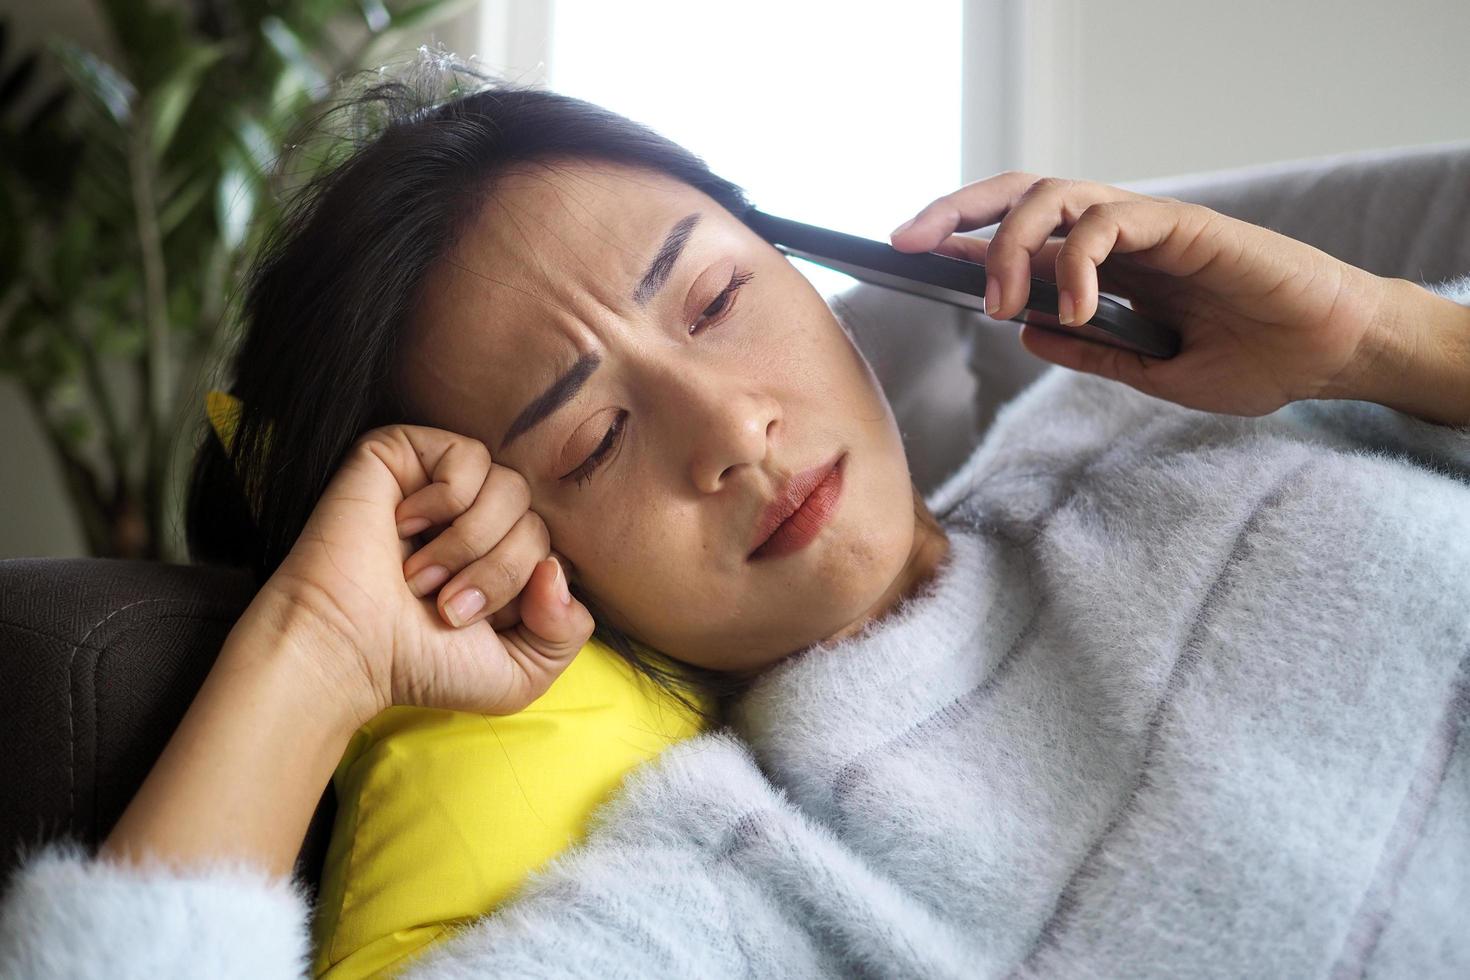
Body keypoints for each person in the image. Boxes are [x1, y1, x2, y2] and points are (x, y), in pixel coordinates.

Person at [2, 57, 1468, 978]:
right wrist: (315, 650)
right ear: (511, 547)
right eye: (591, 438)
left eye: (715, 298)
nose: (728, 430)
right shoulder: (748, 873)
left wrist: (1374, 336)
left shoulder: (1178, 409)